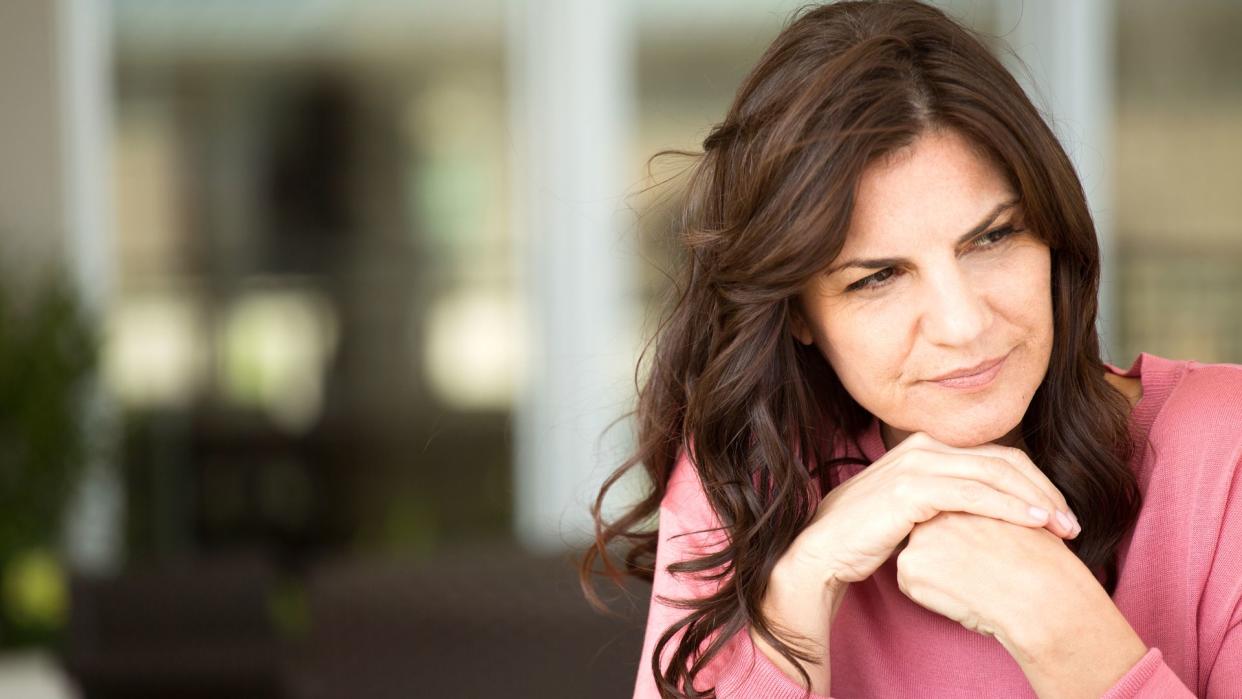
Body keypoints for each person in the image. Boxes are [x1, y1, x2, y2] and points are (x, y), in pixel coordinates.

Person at [576, 1, 1242, 697]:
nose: (960, 323)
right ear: (797, 311)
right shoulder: (749, 480)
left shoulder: (1223, 451)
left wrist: (1062, 627)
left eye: (993, 237)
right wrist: (804, 583)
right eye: (878, 277)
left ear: (1054, 232)